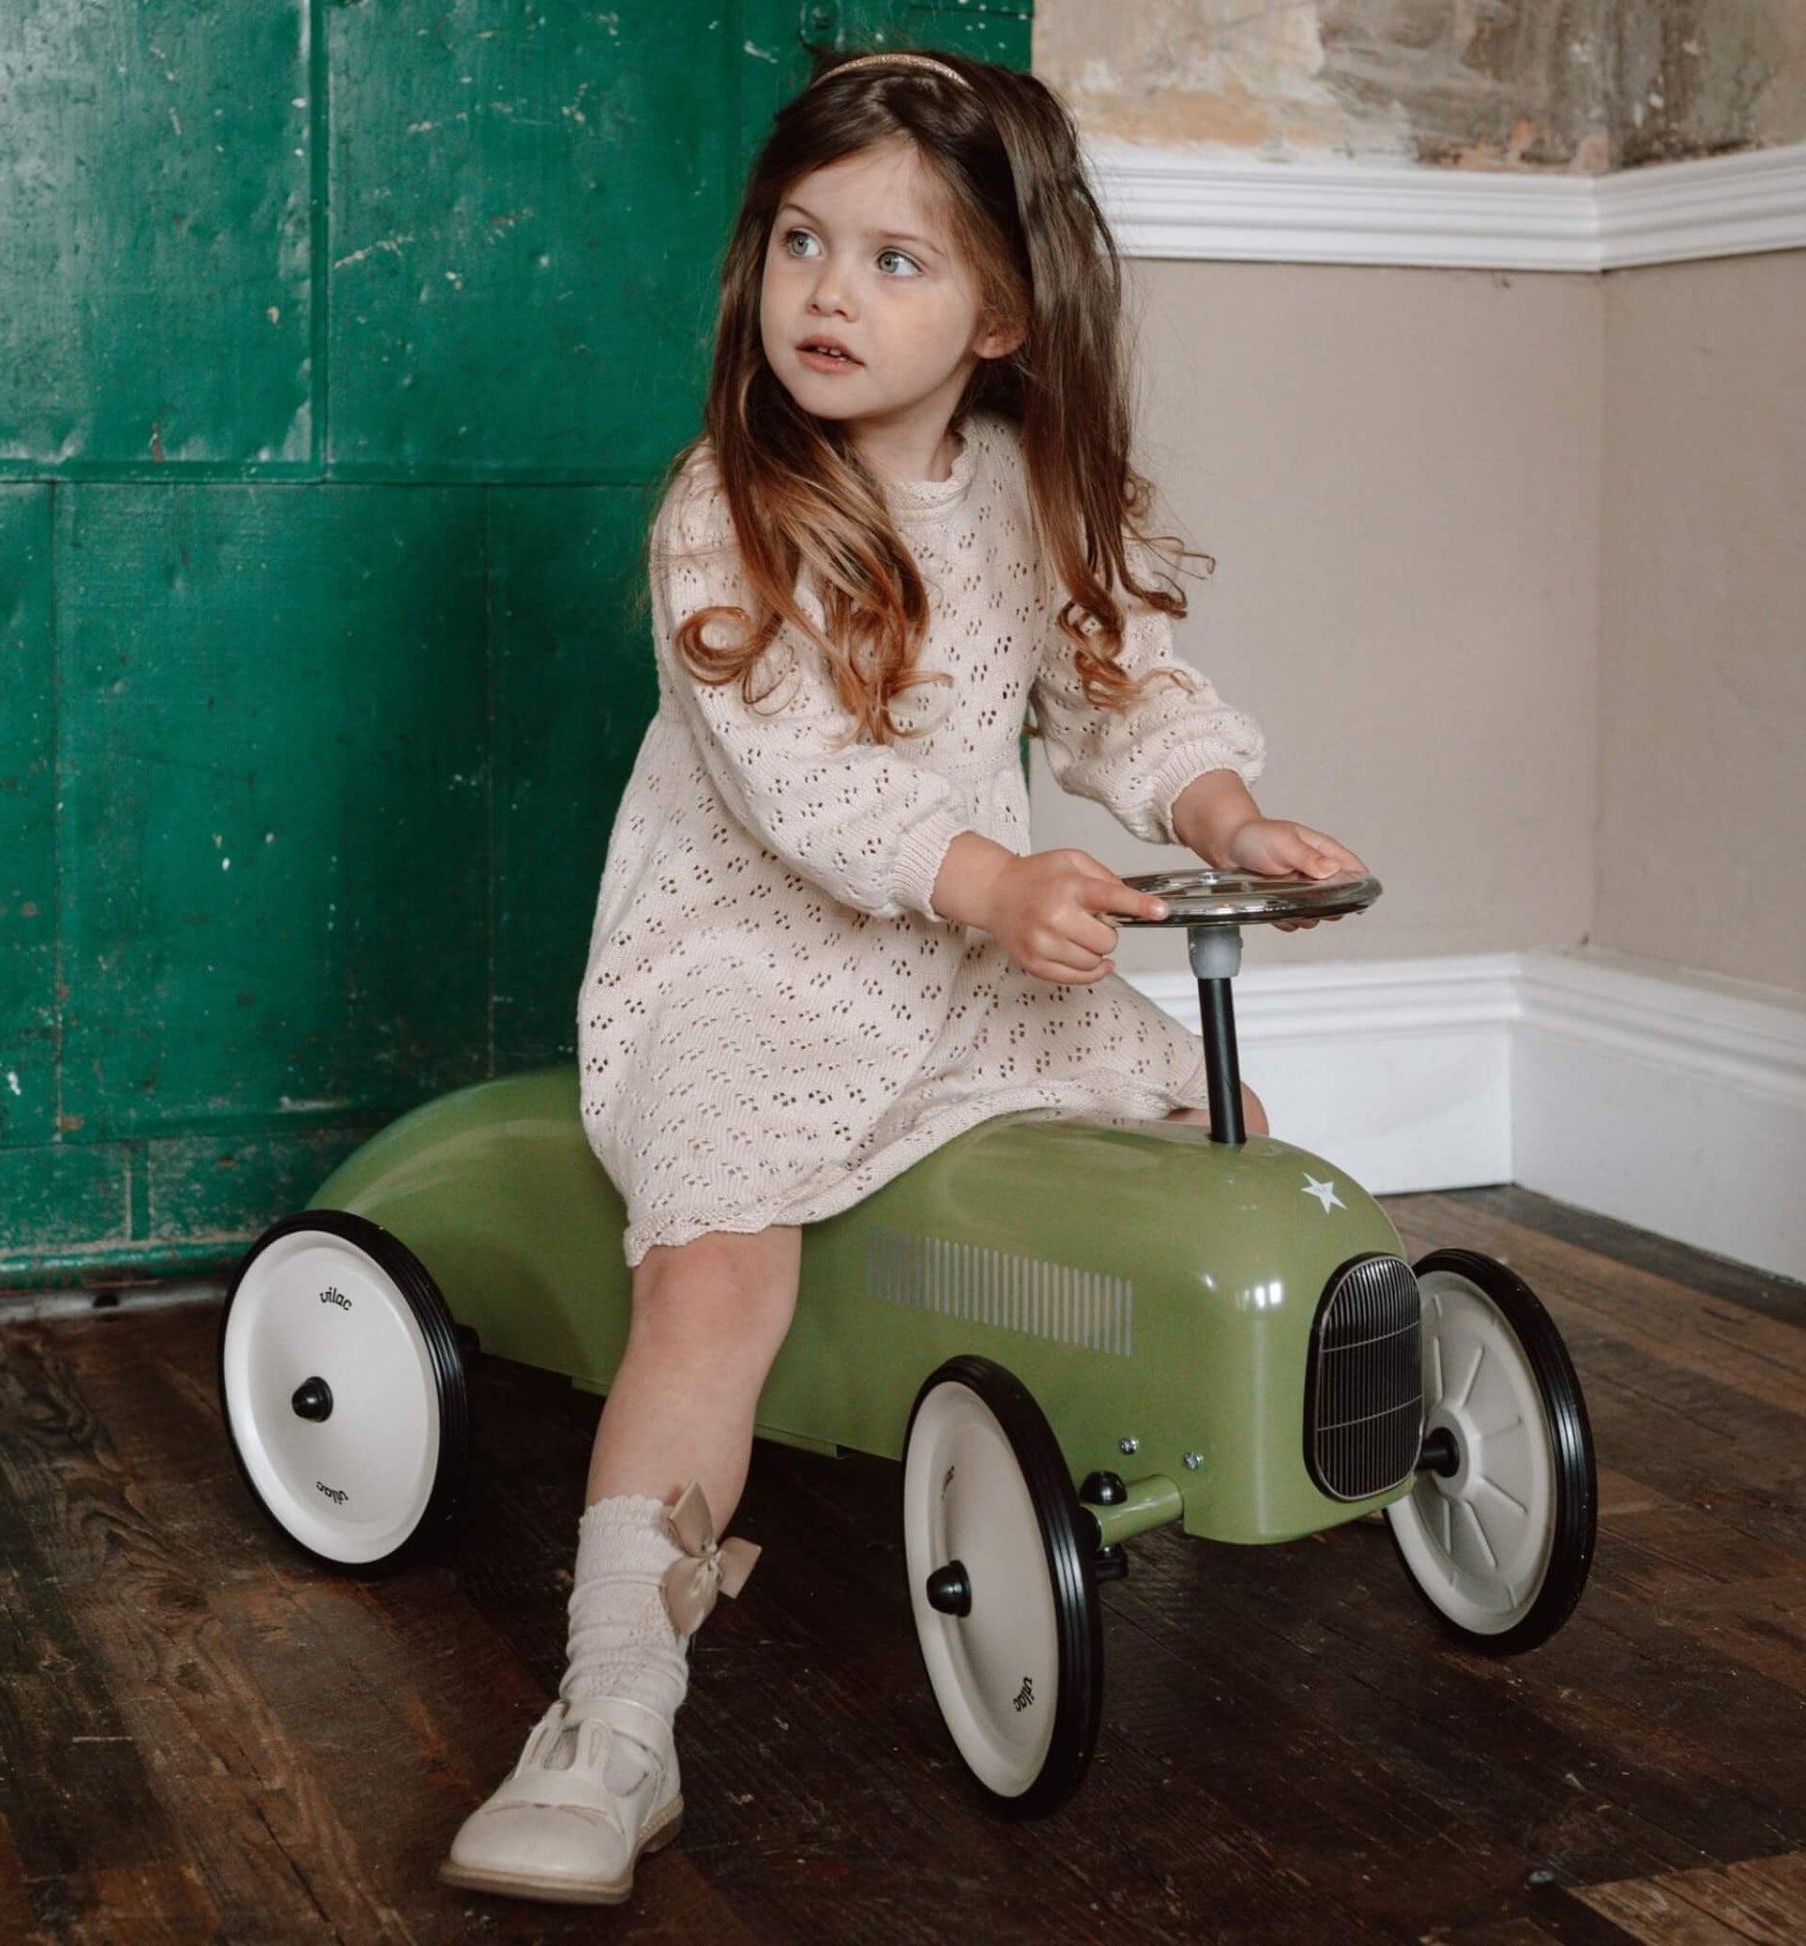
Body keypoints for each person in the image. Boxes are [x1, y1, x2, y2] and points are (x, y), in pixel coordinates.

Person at [440, 45, 1367, 1905]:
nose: (825, 296)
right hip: (752, 961)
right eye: (800, 242)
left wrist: (1224, 810)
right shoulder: (730, 503)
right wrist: (986, 874)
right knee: (713, 1275)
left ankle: (1161, 1439)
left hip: (966, 954)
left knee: (1225, 1125)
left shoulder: (1031, 494)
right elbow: (797, 783)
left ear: (1003, 311)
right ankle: (613, 1709)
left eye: (891, 261)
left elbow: (1119, 686)